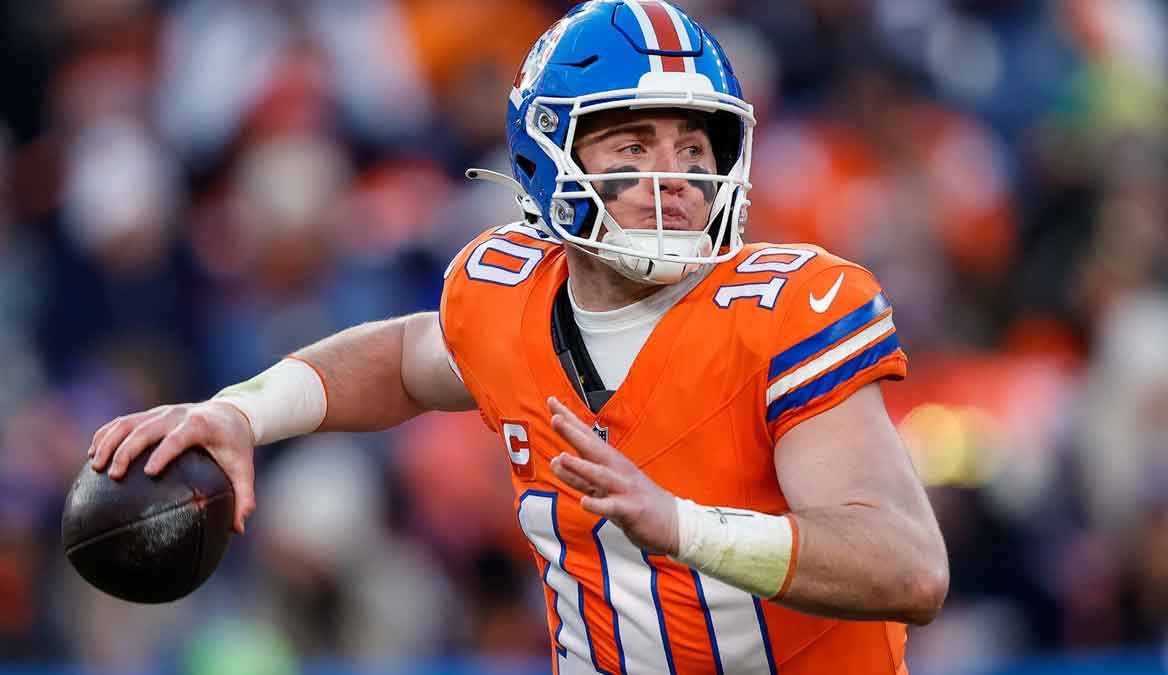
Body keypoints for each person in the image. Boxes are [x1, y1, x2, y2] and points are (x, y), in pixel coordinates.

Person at [88, 2, 948, 673]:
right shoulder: (507, 293)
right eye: (634, 140)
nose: (676, 174)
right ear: (550, 153)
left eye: (695, 145)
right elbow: (400, 360)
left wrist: (687, 528)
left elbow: (909, 566)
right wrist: (244, 413)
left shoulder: (786, 307)